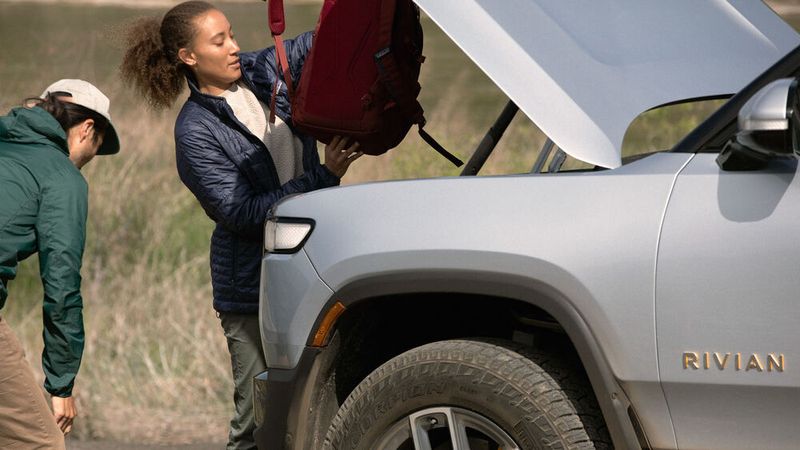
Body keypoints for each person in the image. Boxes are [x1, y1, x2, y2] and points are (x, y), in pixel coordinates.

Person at [120, 2, 361, 448]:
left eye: (231, 35)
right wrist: (323, 176)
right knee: (257, 421)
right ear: (187, 56)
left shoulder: (259, 70)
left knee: (316, 407)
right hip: (251, 286)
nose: (234, 47)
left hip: (308, 262)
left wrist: (354, 16)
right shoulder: (195, 132)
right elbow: (244, 214)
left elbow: (312, 46)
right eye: (219, 41)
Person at [0, 79, 120, 449]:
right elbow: (62, 286)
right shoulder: (61, 176)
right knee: (38, 441)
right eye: (95, 149)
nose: (87, 162)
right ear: (87, 129)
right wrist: (61, 384)